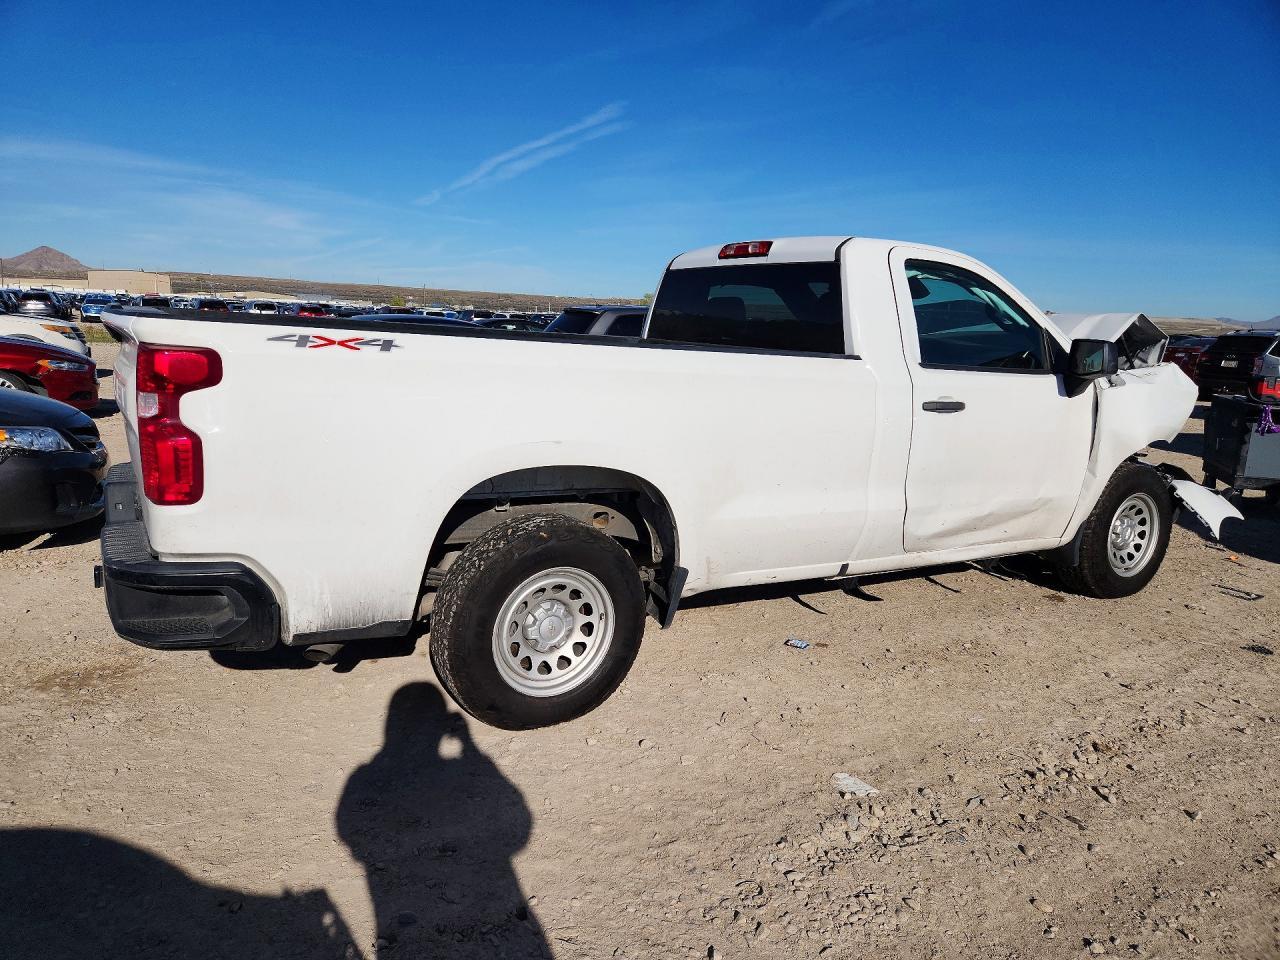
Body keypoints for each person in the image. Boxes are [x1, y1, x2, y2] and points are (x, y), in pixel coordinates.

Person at [336, 682, 549, 958]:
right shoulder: (462, 769)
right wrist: (470, 749)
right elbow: (521, 824)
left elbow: (346, 830)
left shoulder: (362, 777)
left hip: (393, 897)